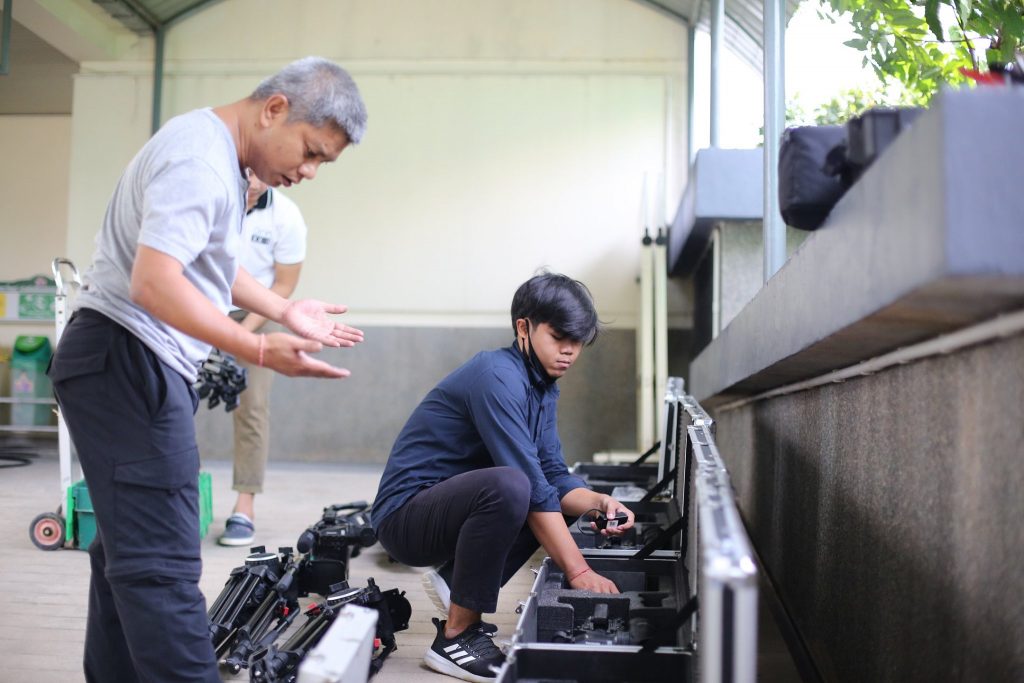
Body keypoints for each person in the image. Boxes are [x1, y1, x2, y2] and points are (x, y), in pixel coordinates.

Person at [47, 57, 367, 682]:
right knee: (162, 565)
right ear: (274, 109)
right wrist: (256, 349)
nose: (308, 171)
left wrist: (282, 308)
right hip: (125, 355)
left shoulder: (217, 155)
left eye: (322, 163)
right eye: (310, 152)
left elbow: (210, 262)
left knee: (128, 551)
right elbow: (154, 283)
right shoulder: (201, 161)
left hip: (124, 360)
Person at [372, 272, 636, 683]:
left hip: (449, 509)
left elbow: (553, 476)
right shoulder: (496, 376)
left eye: (578, 341)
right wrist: (579, 571)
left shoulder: (542, 386)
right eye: (559, 337)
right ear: (523, 328)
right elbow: (530, 485)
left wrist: (599, 502)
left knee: (538, 491)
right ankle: (455, 637)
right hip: (405, 518)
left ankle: (456, 585)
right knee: (513, 487)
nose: (569, 351)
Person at [218, 173, 308, 546]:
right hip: (197, 304)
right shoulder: (215, 199)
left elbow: (283, 285)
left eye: (261, 175)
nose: (254, 182)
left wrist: (244, 333)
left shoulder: (286, 216)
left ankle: (244, 507)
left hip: (255, 313)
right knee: (172, 396)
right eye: (248, 173)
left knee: (251, 404)